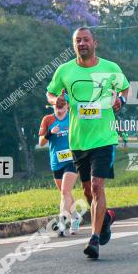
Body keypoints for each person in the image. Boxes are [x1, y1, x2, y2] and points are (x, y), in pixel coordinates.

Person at [46, 27, 130, 260]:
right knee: (86, 191)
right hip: (78, 140)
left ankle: (93, 239)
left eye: (86, 40)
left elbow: (124, 86)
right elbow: (50, 93)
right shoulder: (65, 70)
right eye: (77, 41)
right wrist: (56, 99)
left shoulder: (111, 68)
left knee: (96, 186)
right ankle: (106, 220)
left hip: (104, 137)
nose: (82, 43)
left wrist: (120, 100)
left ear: (95, 43)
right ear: (74, 45)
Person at [38, 96, 82, 236]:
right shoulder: (48, 119)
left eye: (62, 109)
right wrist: (50, 133)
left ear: (67, 107)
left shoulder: (73, 118)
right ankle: (75, 217)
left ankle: (61, 223)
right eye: (57, 108)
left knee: (65, 192)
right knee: (66, 194)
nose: (60, 111)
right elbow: (41, 142)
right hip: (56, 162)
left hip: (73, 160)